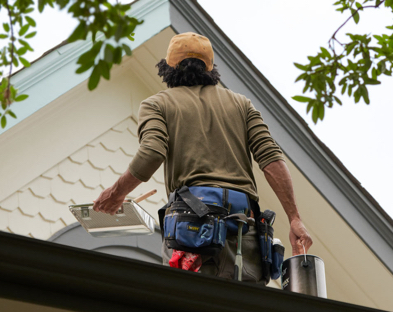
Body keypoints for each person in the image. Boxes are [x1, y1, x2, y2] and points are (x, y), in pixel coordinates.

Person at [93, 32, 312, 284]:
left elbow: (152, 152)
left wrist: (117, 192)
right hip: (245, 231)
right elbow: (271, 159)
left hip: (192, 232)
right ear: (210, 68)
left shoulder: (158, 104)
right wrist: (294, 218)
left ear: (168, 67)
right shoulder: (242, 105)